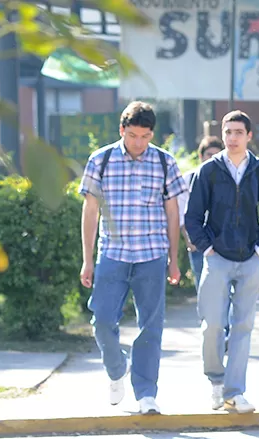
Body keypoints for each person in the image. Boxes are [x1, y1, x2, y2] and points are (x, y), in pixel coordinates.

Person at [78, 101, 187, 415]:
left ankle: (146, 393)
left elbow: (172, 211)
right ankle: (116, 370)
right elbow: (90, 211)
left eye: (145, 136)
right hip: (112, 253)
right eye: (133, 135)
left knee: (151, 326)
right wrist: (87, 260)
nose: (139, 143)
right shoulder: (101, 160)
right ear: (122, 130)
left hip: (152, 255)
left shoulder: (164, 162)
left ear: (152, 134)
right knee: (102, 320)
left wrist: (174, 258)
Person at [185, 110, 259, 413]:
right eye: (228, 132)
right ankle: (215, 381)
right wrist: (206, 249)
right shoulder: (209, 171)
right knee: (213, 324)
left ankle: (234, 391)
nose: (232, 137)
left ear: (249, 136)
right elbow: (193, 217)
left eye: (238, 132)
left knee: (243, 326)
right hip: (217, 259)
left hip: (250, 259)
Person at [179, 135, 225, 289]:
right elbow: (181, 212)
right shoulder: (189, 179)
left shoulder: (228, 180)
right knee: (204, 291)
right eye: (209, 155)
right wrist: (189, 240)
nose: (212, 159)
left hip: (224, 244)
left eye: (216, 155)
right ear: (201, 156)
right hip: (199, 243)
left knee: (226, 293)